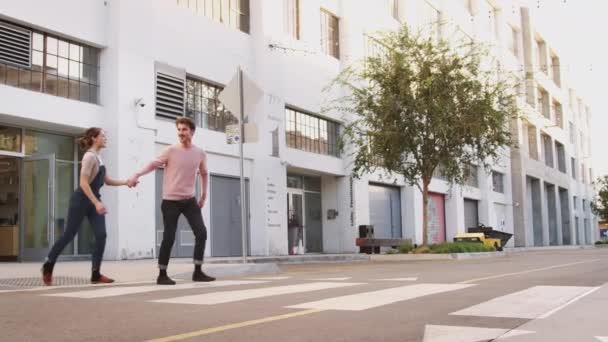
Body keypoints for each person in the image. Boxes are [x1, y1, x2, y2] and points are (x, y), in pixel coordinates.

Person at [42, 128, 135, 286]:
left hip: (93, 201)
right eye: (103, 136)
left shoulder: (99, 157)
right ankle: (48, 264)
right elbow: (83, 183)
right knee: (69, 235)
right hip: (81, 200)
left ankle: (95, 273)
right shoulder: (89, 157)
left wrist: (126, 182)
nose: (106, 138)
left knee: (101, 235)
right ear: (94, 138)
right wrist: (96, 202)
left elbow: (107, 181)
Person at [128, 117, 215, 285]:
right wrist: (136, 174)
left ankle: (198, 271)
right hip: (170, 201)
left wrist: (204, 194)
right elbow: (153, 164)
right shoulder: (170, 151)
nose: (181, 133)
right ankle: (162, 274)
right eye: (179, 130)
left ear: (192, 132)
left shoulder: (200, 153)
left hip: (189, 200)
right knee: (169, 236)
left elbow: (204, 173)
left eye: (184, 130)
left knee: (201, 233)